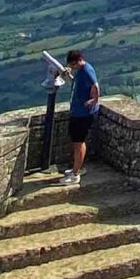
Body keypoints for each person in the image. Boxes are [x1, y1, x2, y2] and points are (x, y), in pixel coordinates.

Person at [61, 47, 100, 188]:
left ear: (78, 61)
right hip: (78, 112)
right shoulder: (80, 71)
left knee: (79, 142)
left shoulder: (86, 70)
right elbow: (78, 85)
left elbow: (95, 85)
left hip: (83, 114)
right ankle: (76, 168)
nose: (72, 67)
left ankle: (75, 174)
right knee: (76, 142)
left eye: (72, 65)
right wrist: (69, 75)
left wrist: (94, 100)